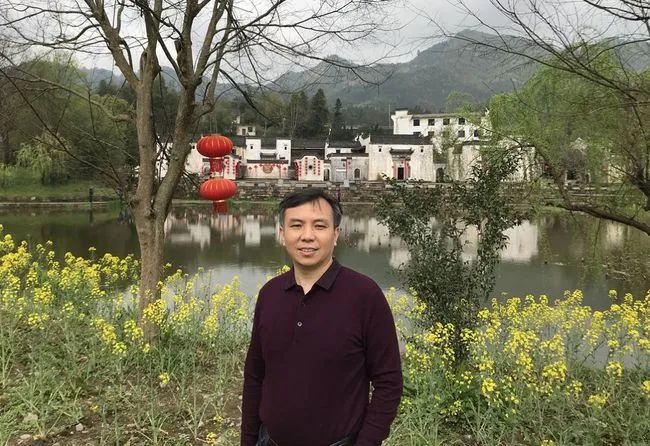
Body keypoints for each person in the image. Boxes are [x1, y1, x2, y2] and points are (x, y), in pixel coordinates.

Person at [241, 188, 403, 446]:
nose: (307, 236)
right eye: (296, 225)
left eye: (319, 226)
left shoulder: (364, 295)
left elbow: (389, 383)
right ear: (282, 234)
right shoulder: (269, 294)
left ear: (335, 234)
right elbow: (255, 376)